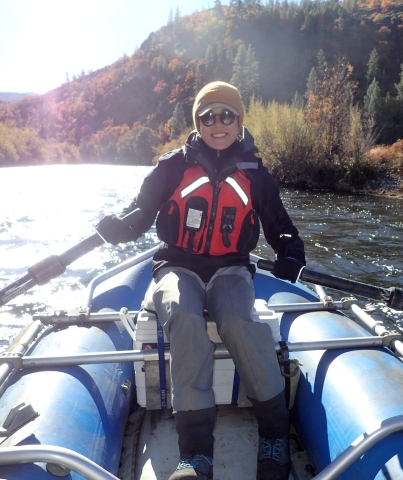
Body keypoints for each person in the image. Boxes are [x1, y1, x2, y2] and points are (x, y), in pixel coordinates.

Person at [96, 81, 306, 480]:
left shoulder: (257, 174)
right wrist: (117, 227)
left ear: (239, 121)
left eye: (227, 115)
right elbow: (139, 215)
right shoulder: (171, 166)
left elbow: (279, 224)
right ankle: (195, 452)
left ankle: (275, 433)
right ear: (198, 122)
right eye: (208, 116)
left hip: (231, 267)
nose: (218, 123)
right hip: (176, 266)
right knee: (184, 313)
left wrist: (291, 253)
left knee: (239, 321)